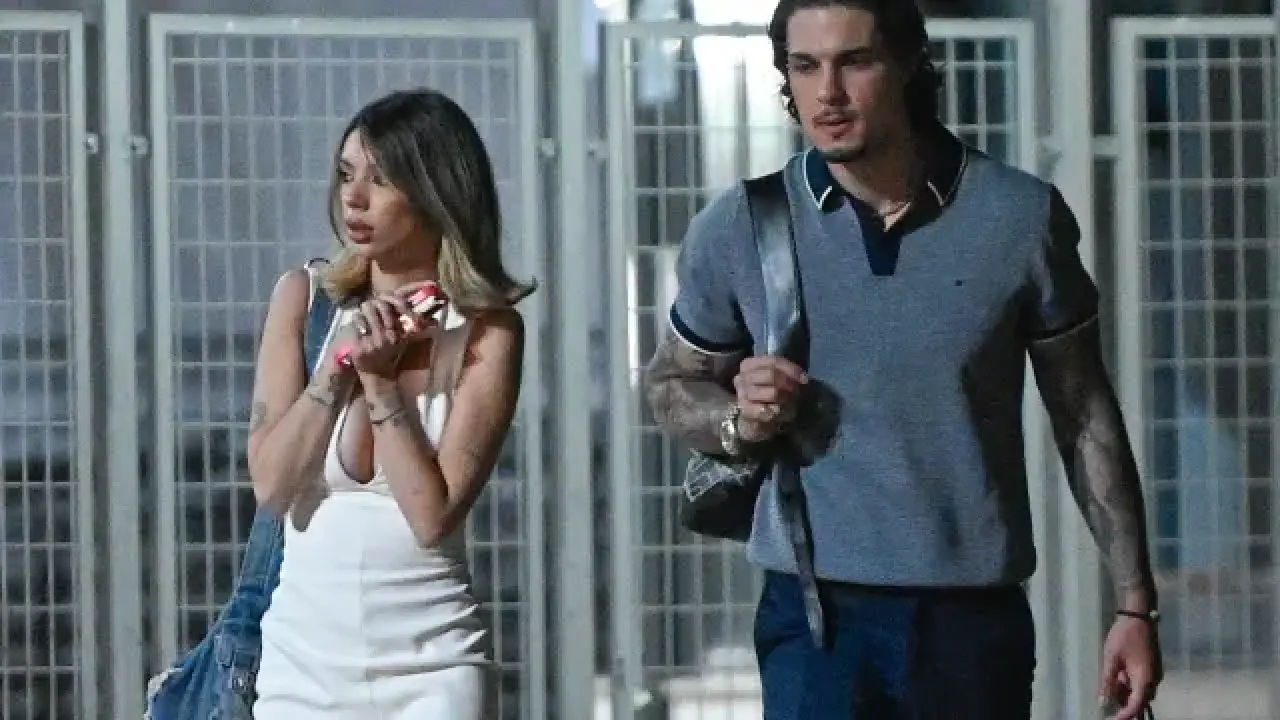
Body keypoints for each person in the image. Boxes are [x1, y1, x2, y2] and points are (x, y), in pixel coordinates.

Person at [643, 1, 1162, 718]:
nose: (827, 93)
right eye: (804, 67)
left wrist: (1135, 604)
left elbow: (1084, 414)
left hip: (969, 619)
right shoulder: (743, 224)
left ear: (909, 62)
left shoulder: (1020, 217)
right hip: (814, 617)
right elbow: (672, 384)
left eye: (854, 62)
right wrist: (739, 420)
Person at [245, 88, 533, 719]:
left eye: (380, 180)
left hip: (434, 672)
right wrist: (339, 366)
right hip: (301, 672)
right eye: (346, 174)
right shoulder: (304, 301)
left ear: (436, 193)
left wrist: (379, 383)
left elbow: (431, 518)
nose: (353, 198)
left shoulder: (487, 331)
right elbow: (271, 484)